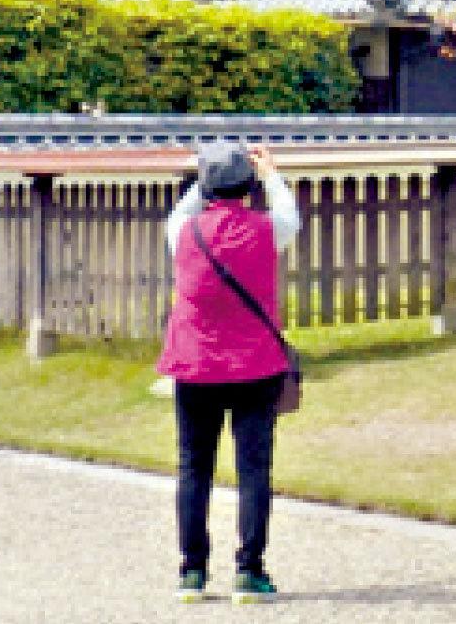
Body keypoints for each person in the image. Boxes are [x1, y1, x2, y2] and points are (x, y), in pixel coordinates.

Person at [157, 142, 300, 603]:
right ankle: (250, 570)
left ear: (206, 186)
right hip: (254, 364)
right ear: (247, 186)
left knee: (193, 468)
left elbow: (183, 208)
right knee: (254, 469)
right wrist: (271, 173)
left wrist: (203, 177)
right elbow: (289, 214)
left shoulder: (183, 231)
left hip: (195, 362)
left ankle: (192, 571)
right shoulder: (266, 230)